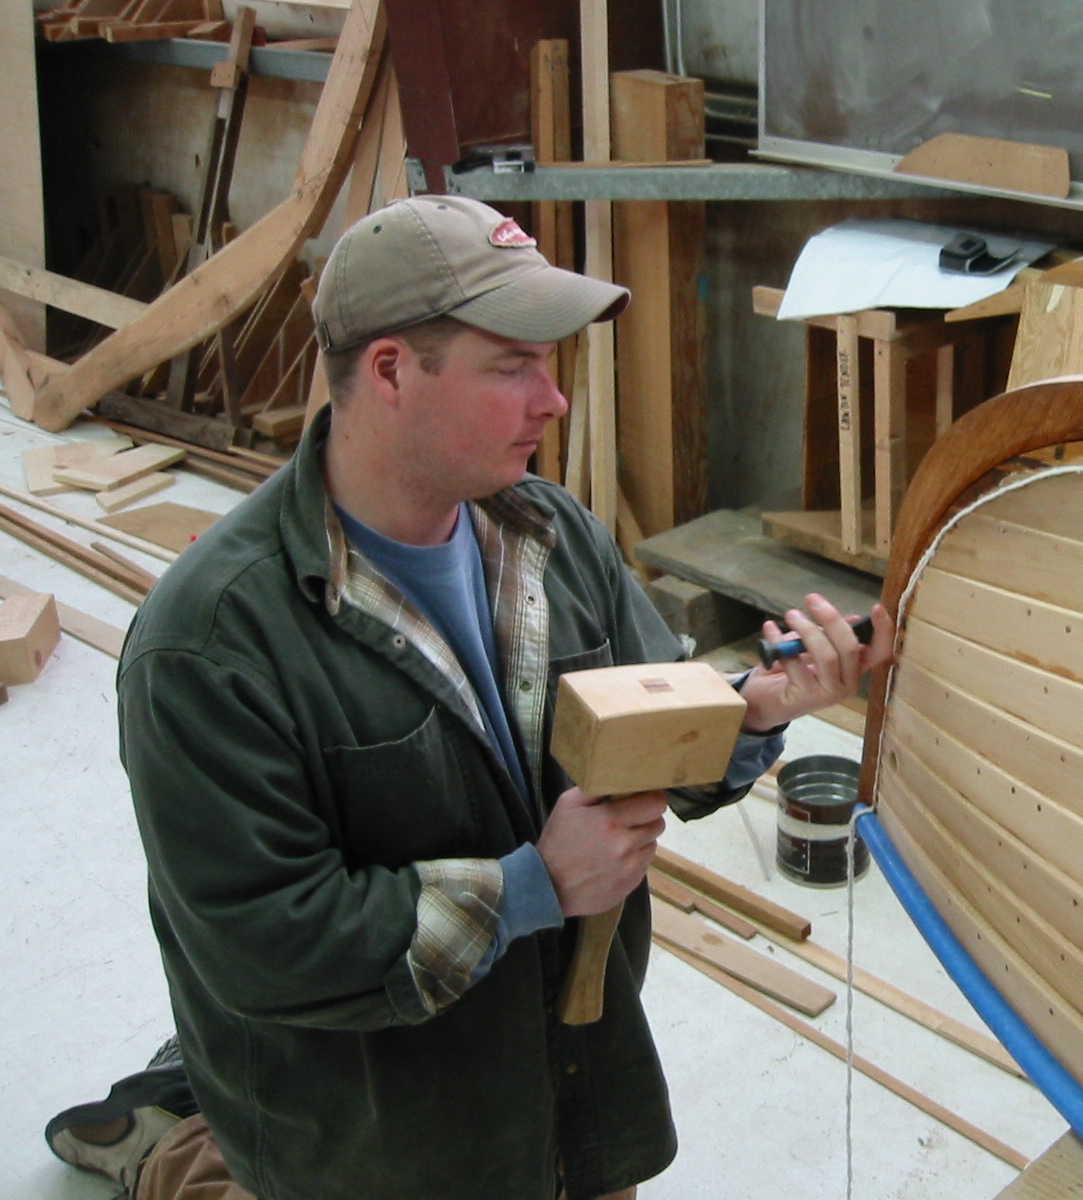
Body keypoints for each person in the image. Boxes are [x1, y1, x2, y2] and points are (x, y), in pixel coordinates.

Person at [44, 194, 893, 1200]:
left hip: (571, 1084)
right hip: (375, 1141)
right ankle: (167, 1141)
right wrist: (535, 885)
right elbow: (263, 945)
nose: (555, 400)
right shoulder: (213, 645)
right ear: (391, 372)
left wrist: (752, 707)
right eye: (513, 366)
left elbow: (641, 738)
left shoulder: (552, 538)